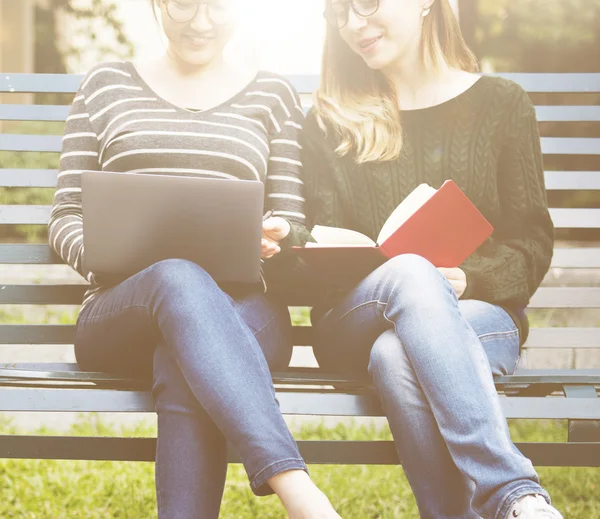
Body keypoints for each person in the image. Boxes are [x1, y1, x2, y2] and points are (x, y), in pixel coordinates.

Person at [48, 1, 341, 518]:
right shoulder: (104, 85)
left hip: (244, 315)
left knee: (186, 349)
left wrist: (278, 236)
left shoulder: (272, 95)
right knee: (178, 277)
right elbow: (66, 214)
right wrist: (108, 254)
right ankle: (298, 491)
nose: (201, 23)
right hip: (123, 314)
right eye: (184, 4)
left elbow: (293, 224)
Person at [299, 0, 562, 518]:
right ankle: (514, 494)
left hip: (477, 315)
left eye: (367, 3)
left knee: (397, 355)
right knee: (410, 272)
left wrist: (467, 278)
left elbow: (531, 245)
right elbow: (316, 254)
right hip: (355, 319)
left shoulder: (503, 105)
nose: (353, 23)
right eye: (338, 12)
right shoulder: (330, 120)